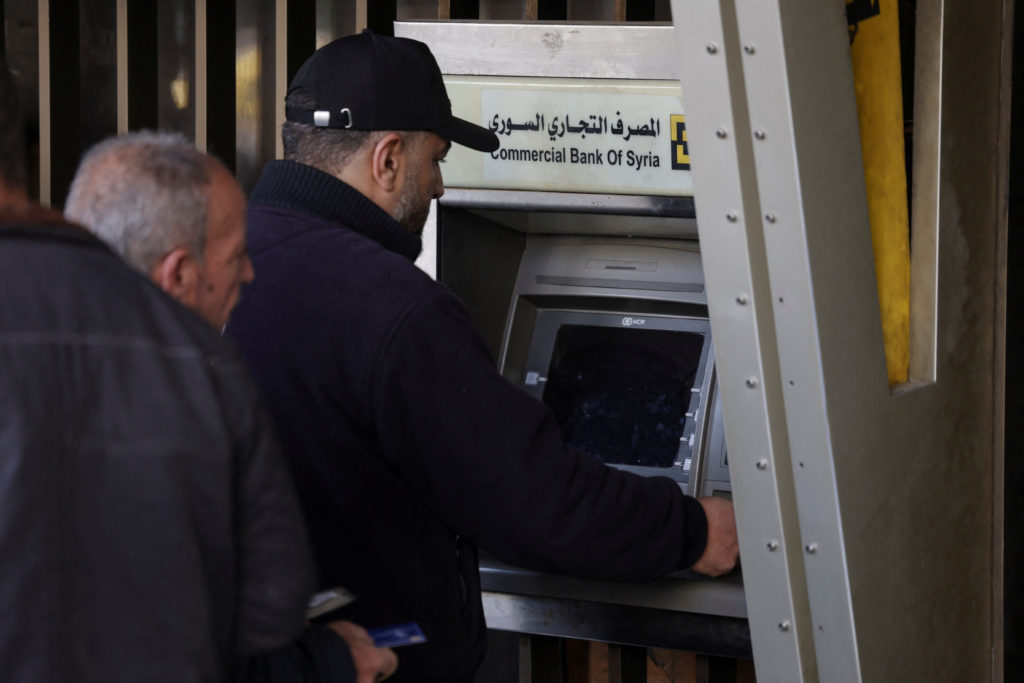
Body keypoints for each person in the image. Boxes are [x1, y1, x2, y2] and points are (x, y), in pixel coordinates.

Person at [225, 30, 740, 682]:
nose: (440, 187)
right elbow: (538, 499)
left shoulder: (221, 261)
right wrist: (692, 528)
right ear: (387, 159)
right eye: (435, 159)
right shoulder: (393, 306)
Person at [62, 130, 398, 683]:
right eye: (236, 254)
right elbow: (251, 631)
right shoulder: (190, 405)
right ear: (178, 275)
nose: (249, 273)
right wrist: (334, 662)